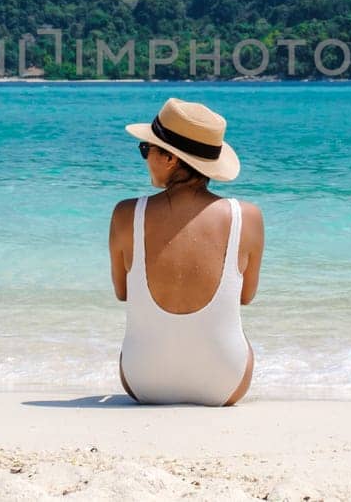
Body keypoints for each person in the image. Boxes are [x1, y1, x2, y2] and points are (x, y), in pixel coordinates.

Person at [108, 98, 264, 405]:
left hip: (143, 379)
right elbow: (245, 297)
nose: (144, 158)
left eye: (145, 149)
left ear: (169, 159)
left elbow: (123, 292)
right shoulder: (247, 217)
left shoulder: (126, 214)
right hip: (224, 382)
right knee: (243, 342)